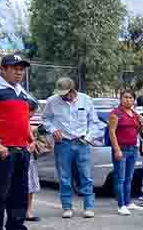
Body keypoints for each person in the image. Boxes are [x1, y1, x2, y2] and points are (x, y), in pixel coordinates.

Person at [0, 54, 35, 230]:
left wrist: (30, 138)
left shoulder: (21, 92)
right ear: (2, 69)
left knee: (18, 197)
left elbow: (23, 118)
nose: (19, 71)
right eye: (14, 68)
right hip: (0, 150)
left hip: (20, 150)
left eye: (21, 68)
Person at [42, 76, 104, 219]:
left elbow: (94, 122)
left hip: (82, 143)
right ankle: (67, 207)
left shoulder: (86, 100)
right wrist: (52, 130)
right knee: (64, 176)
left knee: (86, 176)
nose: (63, 96)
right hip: (63, 143)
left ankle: (88, 207)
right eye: (60, 94)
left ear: (72, 90)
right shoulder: (52, 101)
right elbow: (45, 119)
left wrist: (89, 137)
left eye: (65, 93)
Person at [108, 89, 143, 216]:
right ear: (121, 99)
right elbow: (111, 132)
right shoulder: (115, 113)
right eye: (125, 97)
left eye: (130, 98)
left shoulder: (134, 113)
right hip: (121, 148)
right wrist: (116, 149)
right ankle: (121, 204)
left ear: (134, 100)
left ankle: (128, 202)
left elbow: (137, 130)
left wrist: (142, 124)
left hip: (133, 148)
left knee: (129, 178)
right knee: (120, 178)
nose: (128, 100)